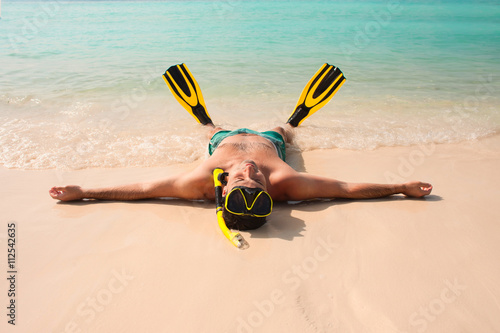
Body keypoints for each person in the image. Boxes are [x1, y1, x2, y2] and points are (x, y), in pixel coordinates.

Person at [49, 63, 433, 230]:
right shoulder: (288, 183)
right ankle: (297, 117)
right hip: (269, 139)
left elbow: (144, 190)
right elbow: (347, 190)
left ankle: (202, 117)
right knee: (287, 131)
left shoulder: (197, 184)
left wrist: (84, 191)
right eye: (256, 182)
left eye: (241, 181)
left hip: (223, 139)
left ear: (222, 188)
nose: (250, 171)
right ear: (269, 192)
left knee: (208, 130)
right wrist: (400, 187)